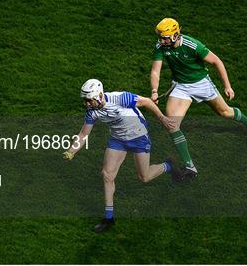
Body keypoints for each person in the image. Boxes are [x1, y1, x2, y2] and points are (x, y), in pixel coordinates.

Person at [63, 78, 179, 233]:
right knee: (107, 175)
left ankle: (168, 165)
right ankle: (108, 218)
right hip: (117, 140)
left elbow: (146, 102)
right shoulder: (92, 111)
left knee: (144, 177)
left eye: (88, 100)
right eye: (85, 100)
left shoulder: (120, 98)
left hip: (139, 137)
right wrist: (71, 151)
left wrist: (162, 118)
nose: (86, 104)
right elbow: (84, 134)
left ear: (98, 95)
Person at [150, 18, 247, 179]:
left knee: (225, 112)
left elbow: (217, 61)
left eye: (165, 37)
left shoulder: (193, 45)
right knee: (172, 125)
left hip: (201, 84)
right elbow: (155, 71)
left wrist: (227, 86)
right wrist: (154, 90)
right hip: (180, 87)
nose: (161, 40)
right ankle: (190, 167)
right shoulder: (160, 47)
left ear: (175, 35)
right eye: (160, 37)